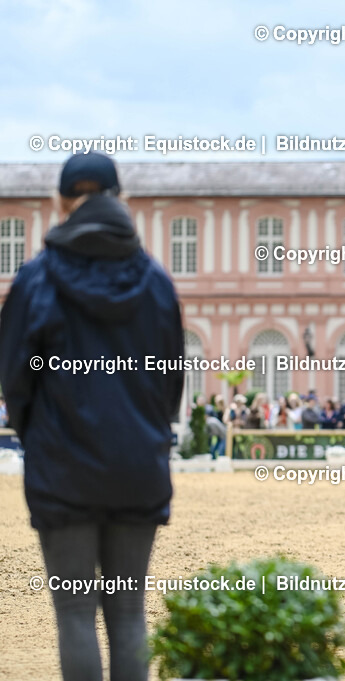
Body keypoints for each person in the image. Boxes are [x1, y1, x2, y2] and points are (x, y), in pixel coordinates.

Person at [0, 152, 184, 681]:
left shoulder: (35, 278)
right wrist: (148, 437)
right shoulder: (156, 281)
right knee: (128, 614)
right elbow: (171, 381)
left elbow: (14, 380)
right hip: (137, 466)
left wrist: (40, 436)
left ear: (60, 202)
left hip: (62, 468)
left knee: (75, 613)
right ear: (121, 199)